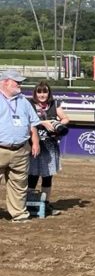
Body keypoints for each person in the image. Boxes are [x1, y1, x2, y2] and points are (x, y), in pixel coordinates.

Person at [0, 69, 41, 222]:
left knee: (19, 184)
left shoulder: (23, 101)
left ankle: (19, 214)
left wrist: (35, 142)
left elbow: (33, 124)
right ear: (5, 82)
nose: (20, 85)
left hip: (21, 149)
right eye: (17, 82)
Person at [28, 81, 70, 215]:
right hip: (33, 144)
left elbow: (66, 118)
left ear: (49, 93)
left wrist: (57, 122)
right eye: (39, 92)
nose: (42, 95)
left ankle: (45, 204)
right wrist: (42, 122)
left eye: (44, 91)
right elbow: (26, 120)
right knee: (32, 175)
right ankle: (29, 203)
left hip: (50, 145)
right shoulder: (29, 105)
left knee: (47, 176)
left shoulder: (54, 104)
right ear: (35, 93)